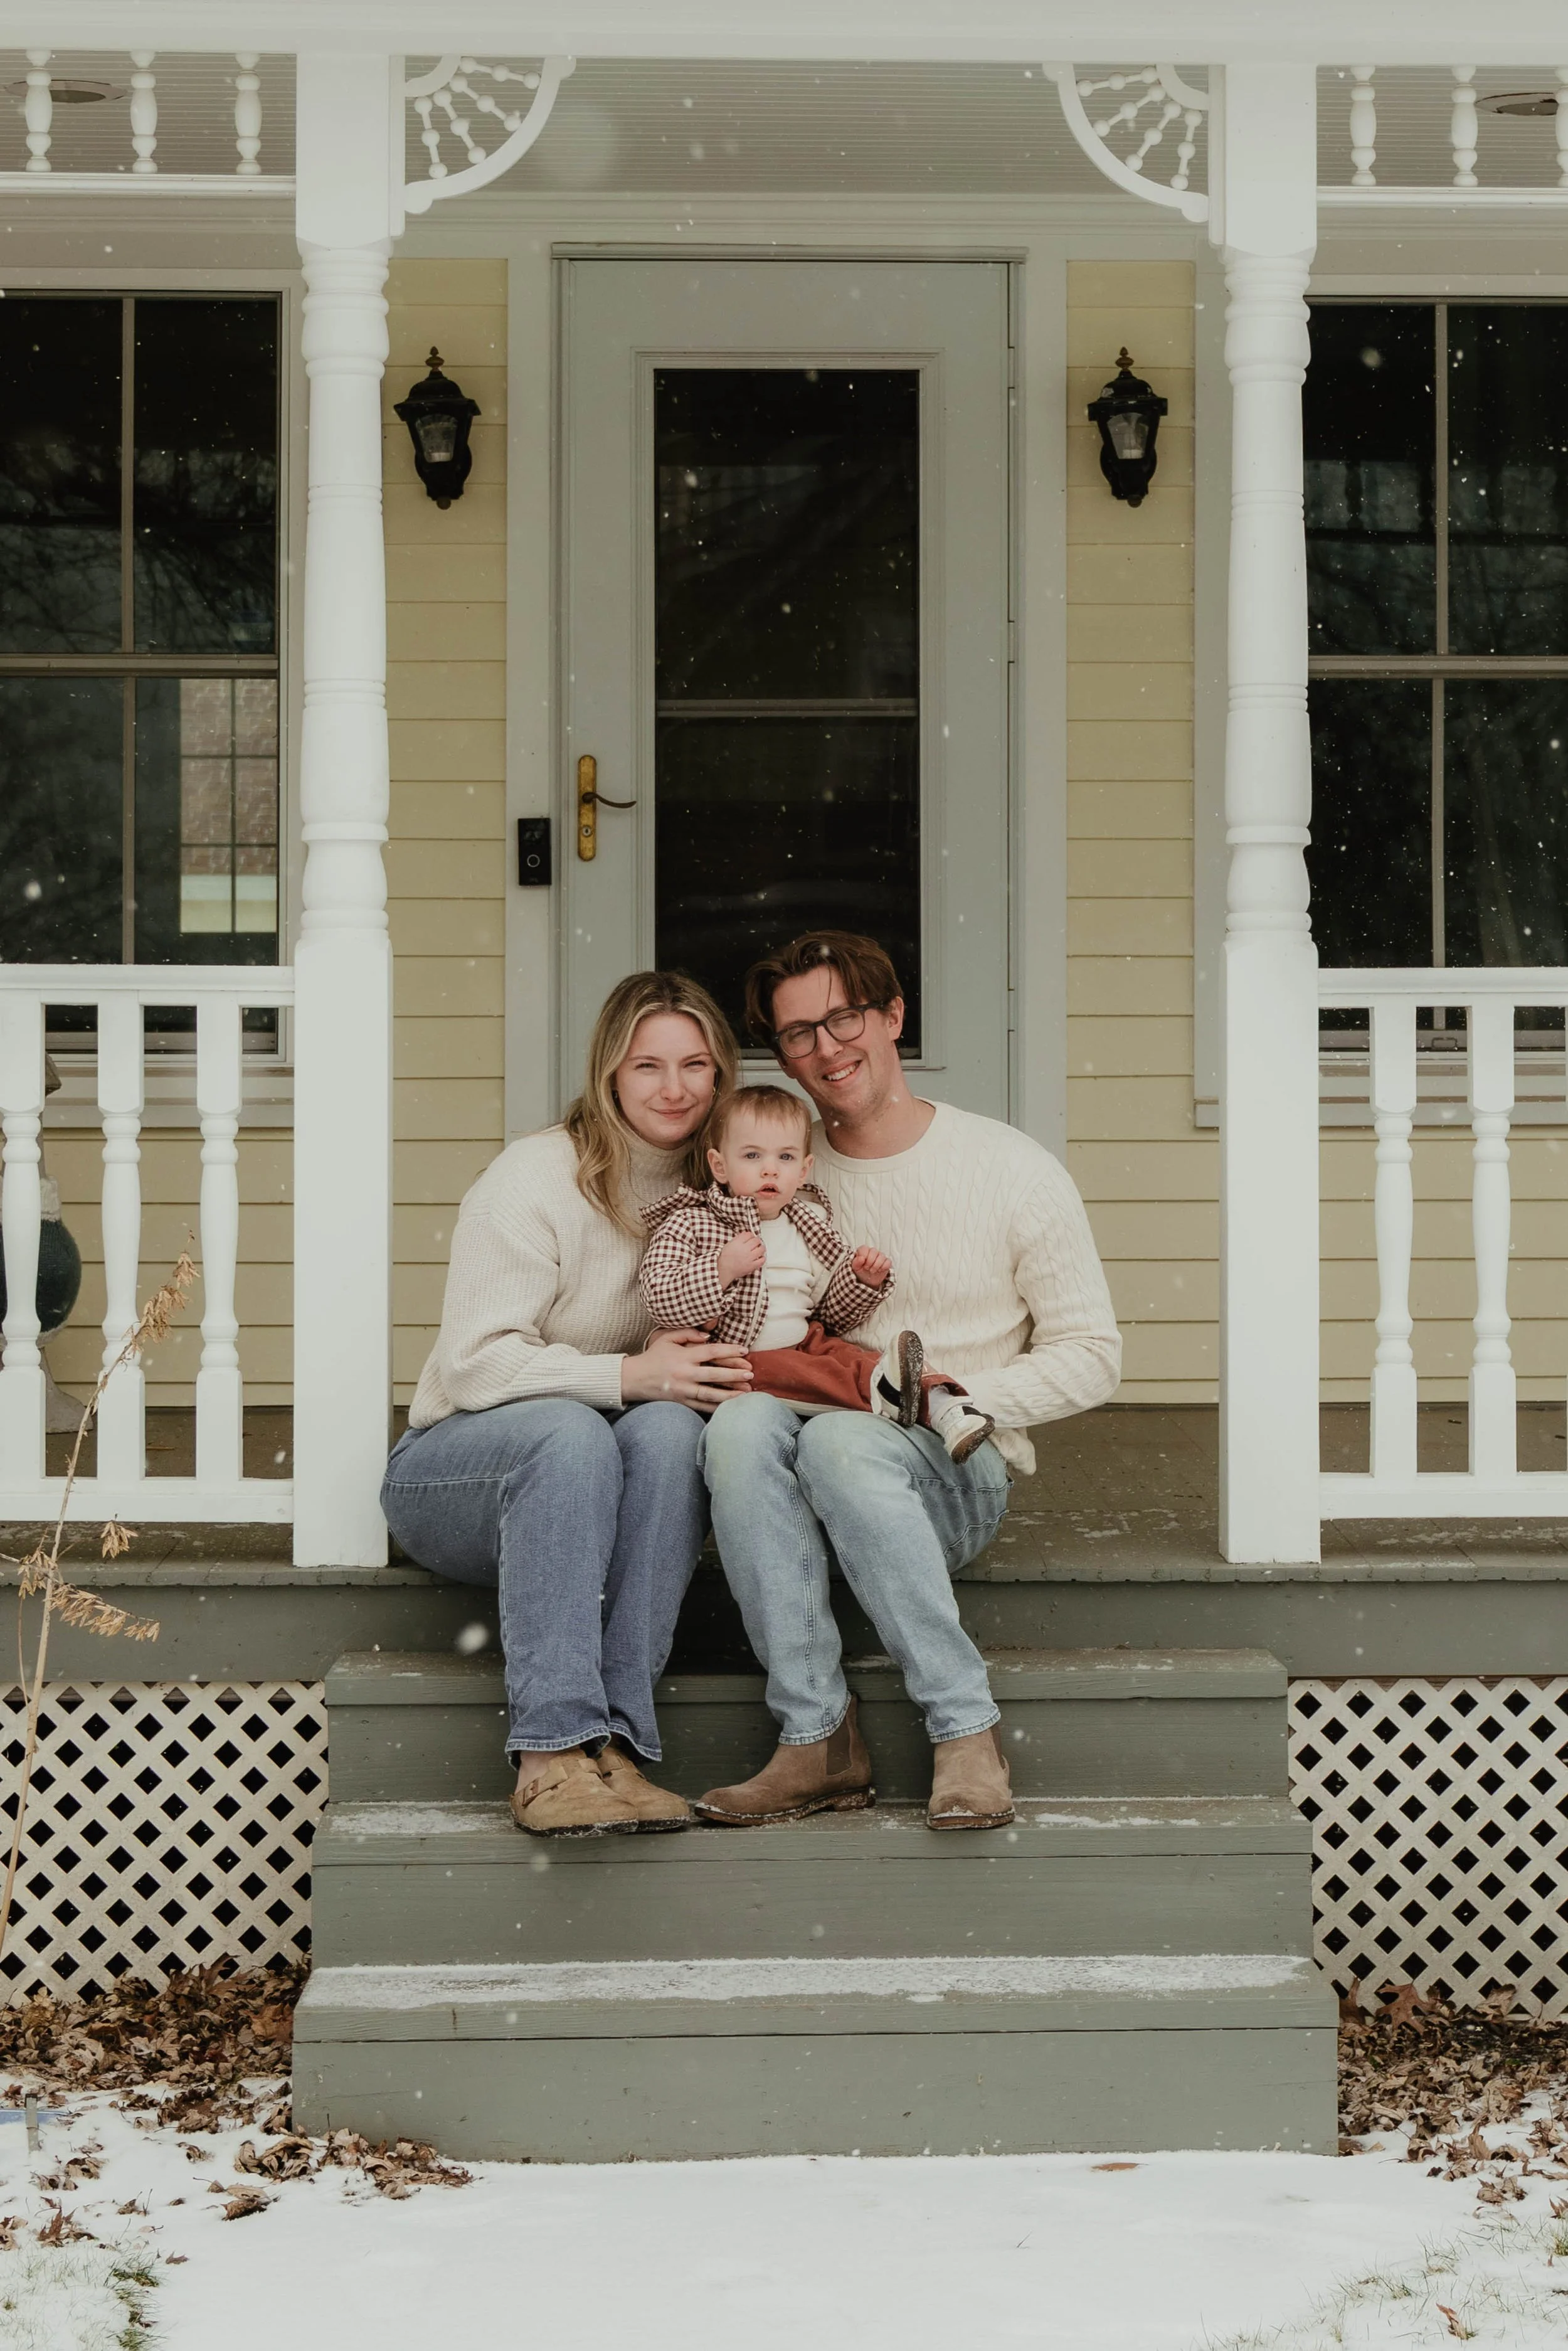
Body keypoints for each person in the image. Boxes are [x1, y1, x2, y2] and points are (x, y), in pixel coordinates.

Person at [695, 931, 1122, 1835]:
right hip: (807, 1448)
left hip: (953, 1470)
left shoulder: (1009, 1167)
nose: (826, 1048)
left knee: (847, 1441)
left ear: (892, 1017)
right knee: (737, 1428)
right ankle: (817, 1738)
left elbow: (1093, 1352)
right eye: (799, 1032)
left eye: (844, 1017)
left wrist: (952, 1399)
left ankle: (965, 1724)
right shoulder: (774, 1175)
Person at [381, 972, 753, 1839]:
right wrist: (627, 1377)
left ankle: (614, 1746)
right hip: (459, 1476)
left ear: (721, 1073)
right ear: (609, 1073)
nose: (675, 1088)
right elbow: (473, 1370)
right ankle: (551, 1759)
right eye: (648, 1065)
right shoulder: (537, 1179)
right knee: (576, 1430)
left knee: (668, 1432)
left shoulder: (726, 1187)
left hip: (593, 1477)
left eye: (696, 1065)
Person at [639, 1083, 996, 1462]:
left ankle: (948, 1408)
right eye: (752, 1155)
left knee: (862, 1359)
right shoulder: (692, 1223)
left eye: (786, 1157)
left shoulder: (809, 1225)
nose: (770, 1169)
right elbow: (658, 1298)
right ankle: (888, 1397)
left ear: (805, 1168)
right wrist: (721, 1269)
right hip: (739, 1360)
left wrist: (860, 1281)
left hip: (805, 1342)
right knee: (817, 1374)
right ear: (720, 1165)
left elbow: (831, 1315)